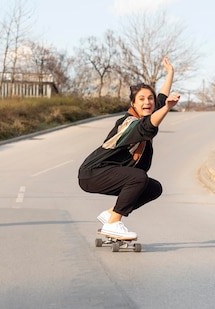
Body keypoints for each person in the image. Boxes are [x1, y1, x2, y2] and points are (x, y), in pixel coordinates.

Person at [77, 56, 181, 239]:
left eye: (150, 98)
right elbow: (147, 127)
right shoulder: (128, 123)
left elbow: (162, 98)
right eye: (141, 99)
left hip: (108, 173)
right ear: (133, 104)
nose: (147, 102)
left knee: (153, 187)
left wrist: (170, 73)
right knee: (139, 177)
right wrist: (166, 108)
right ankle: (114, 223)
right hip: (92, 173)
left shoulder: (147, 112)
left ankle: (111, 214)